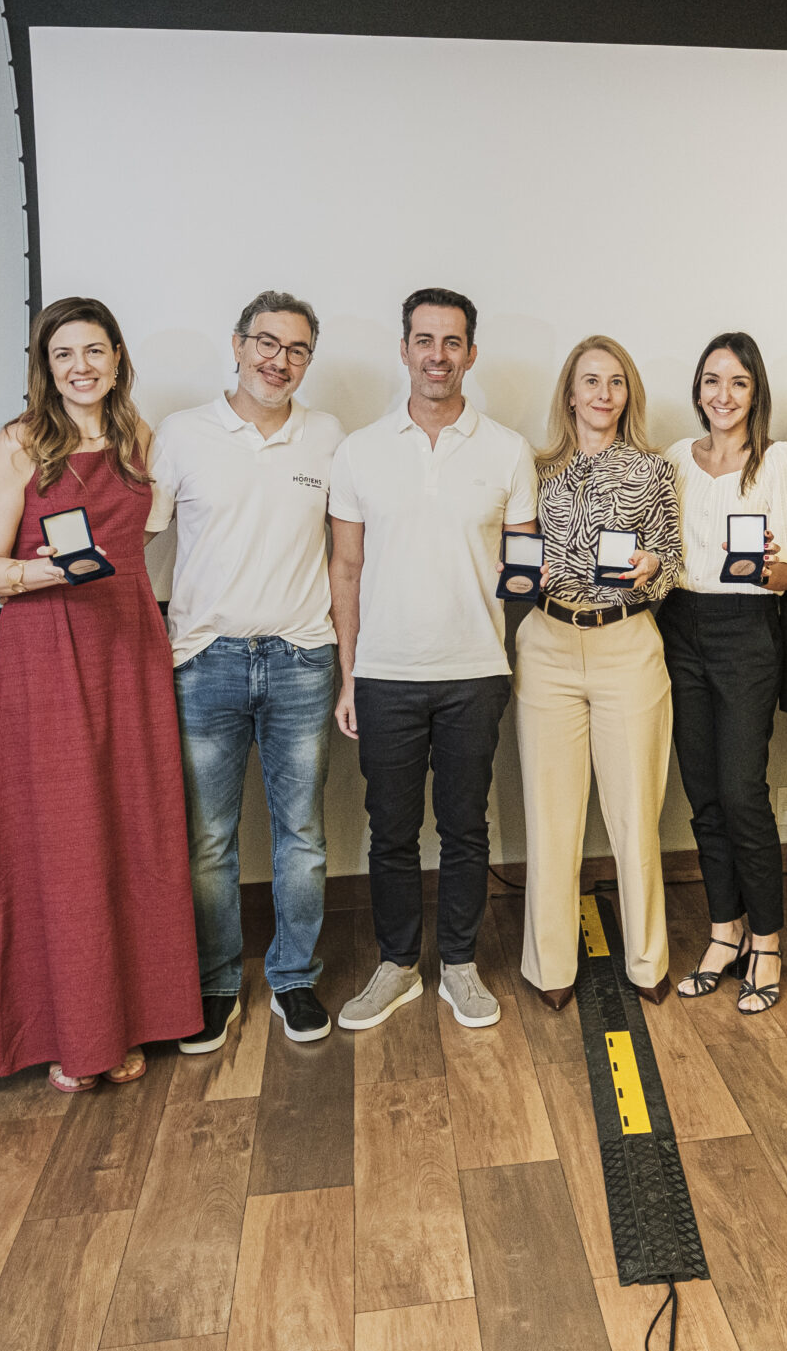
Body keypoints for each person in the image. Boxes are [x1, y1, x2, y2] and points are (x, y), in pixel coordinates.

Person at [0, 297, 199, 1092]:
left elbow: (143, 539)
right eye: (63, 354)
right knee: (65, 834)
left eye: (93, 350)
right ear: (46, 366)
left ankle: (131, 1020)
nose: (80, 367)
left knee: (133, 827)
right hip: (47, 648)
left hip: (128, 643)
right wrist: (51, 571)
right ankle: (77, 1034)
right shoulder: (21, 442)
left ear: (117, 356)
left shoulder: (139, 438)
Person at [327, 288, 538, 1032]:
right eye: (424, 340)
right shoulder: (359, 450)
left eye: (452, 342)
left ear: (471, 354)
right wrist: (348, 677)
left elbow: (524, 567)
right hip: (385, 673)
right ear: (404, 349)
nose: (437, 356)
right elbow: (345, 568)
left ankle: (459, 965)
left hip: (475, 672)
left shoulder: (508, 450)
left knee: (465, 827)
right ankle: (396, 965)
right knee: (389, 830)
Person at [151, 291, 344, 1054]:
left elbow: (351, 552)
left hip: (302, 658)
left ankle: (294, 976)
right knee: (208, 839)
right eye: (266, 342)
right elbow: (137, 535)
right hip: (205, 662)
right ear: (237, 344)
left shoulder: (328, 437)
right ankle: (216, 983)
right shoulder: (181, 434)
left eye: (296, 349)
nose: (278, 360)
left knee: (304, 835)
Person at [515, 335, 682, 1012]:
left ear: (627, 393)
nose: (604, 393)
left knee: (635, 814)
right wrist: (521, 572)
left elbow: (672, 559)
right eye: (591, 380)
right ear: (570, 394)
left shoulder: (654, 470)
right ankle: (549, 964)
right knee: (550, 816)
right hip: (547, 646)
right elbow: (508, 552)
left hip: (627, 645)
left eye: (616, 381)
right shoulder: (533, 469)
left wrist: (653, 568)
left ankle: (647, 960)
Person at [663, 333, 787, 1016]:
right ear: (698, 389)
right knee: (702, 793)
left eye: (739, 382)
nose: (723, 395)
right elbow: (662, 552)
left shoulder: (779, 459)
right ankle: (725, 931)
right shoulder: (674, 459)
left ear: (756, 392)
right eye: (712, 380)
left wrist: (767, 568)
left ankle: (767, 941)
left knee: (741, 791)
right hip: (680, 626)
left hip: (747, 630)